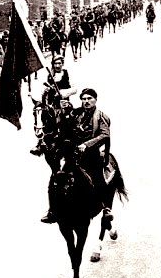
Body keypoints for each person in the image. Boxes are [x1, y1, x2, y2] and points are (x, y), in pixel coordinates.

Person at [41, 88, 111, 224]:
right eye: (84, 99)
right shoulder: (76, 113)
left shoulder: (101, 116)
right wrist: (63, 109)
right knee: (55, 177)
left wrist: (86, 145)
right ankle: (52, 210)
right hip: (73, 154)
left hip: (91, 154)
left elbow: (104, 135)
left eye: (89, 98)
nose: (86, 101)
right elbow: (63, 124)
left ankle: (106, 207)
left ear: (95, 100)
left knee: (98, 176)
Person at [30, 56, 77, 156]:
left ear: (62, 64)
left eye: (59, 63)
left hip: (63, 104)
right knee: (41, 116)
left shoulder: (67, 73)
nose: (57, 65)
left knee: (67, 119)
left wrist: (63, 93)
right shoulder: (50, 75)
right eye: (55, 63)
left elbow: (74, 89)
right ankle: (40, 142)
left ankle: (70, 141)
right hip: (51, 103)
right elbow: (42, 87)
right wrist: (44, 91)